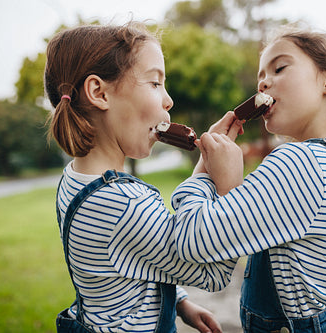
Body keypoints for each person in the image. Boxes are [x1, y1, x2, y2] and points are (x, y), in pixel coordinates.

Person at [172, 25, 326, 332]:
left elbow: (192, 241)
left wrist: (205, 172)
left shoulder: (302, 163)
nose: (263, 84)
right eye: (260, 77)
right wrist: (230, 188)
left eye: (279, 67)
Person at [45, 22, 243, 333]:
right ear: (99, 92)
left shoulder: (76, 178)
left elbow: (130, 259)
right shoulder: (126, 204)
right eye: (154, 83)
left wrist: (178, 301)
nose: (169, 101)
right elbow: (212, 273)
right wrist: (226, 186)